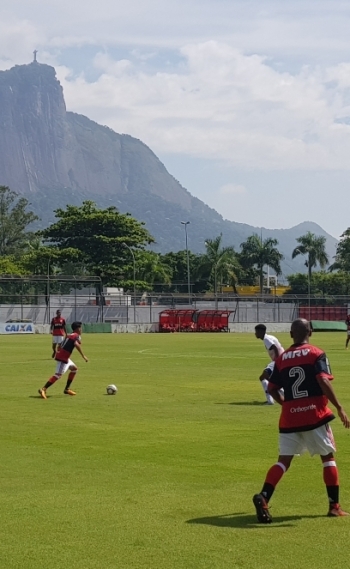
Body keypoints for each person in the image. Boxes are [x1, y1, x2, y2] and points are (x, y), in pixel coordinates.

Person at [252, 318, 350, 523]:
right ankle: (334, 506)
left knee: (283, 461)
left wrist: (287, 405)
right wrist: (340, 407)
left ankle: (264, 496)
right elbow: (322, 380)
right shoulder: (316, 353)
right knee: (328, 458)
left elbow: (271, 388)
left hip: (289, 418)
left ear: (290, 335)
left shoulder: (282, 358)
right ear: (311, 332)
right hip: (315, 415)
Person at [38, 321, 88, 399]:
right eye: (80, 328)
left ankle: (66, 389)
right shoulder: (75, 335)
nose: (81, 330)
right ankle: (43, 389)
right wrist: (83, 356)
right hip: (63, 358)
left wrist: (59, 351)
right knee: (58, 375)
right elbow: (76, 344)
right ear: (78, 329)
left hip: (65, 357)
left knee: (74, 369)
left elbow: (60, 345)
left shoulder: (69, 335)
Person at [255, 324, 284, 405]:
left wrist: (277, 362)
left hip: (279, 360)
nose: (255, 334)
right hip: (282, 359)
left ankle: (270, 400)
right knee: (269, 378)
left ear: (261, 331)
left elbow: (275, 348)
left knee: (262, 377)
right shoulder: (270, 337)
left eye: (256, 331)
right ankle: (282, 392)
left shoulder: (266, 339)